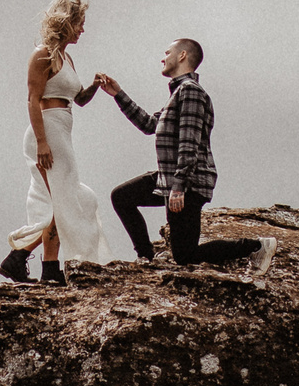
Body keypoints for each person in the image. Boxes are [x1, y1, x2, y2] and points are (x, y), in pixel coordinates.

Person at [98, 39, 277, 271]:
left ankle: (256, 247)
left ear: (182, 55)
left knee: (185, 255)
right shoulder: (178, 93)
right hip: (170, 177)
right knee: (122, 197)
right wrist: (118, 94)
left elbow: (189, 141)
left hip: (189, 181)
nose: (163, 58)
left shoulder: (191, 92)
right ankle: (146, 257)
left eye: (167, 52)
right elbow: (149, 124)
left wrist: (179, 186)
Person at [0, 0, 115, 285]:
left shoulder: (68, 58)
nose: (83, 30)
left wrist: (95, 86)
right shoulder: (42, 55)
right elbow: (32, 99)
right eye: (80, 23)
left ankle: (45, 268)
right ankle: (23, 258)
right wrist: (41, 142)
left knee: (64, 200)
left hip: (63, 130)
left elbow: (79, 100)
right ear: (66, 23)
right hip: (47, 131)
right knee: (65, 202)